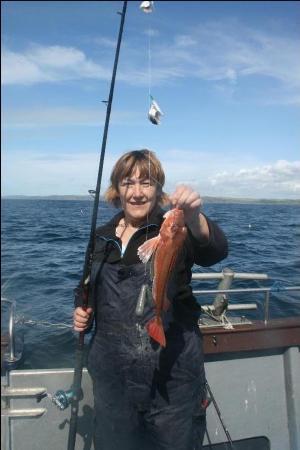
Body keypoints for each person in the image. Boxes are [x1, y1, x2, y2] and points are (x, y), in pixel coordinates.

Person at [73, 149, 228, 450]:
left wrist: (195, 219)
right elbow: (86, 285)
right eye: (127, 183)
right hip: (113, 379)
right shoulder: (102, 237)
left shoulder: (173, 230)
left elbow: (215, 251)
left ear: (159, 190)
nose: (136, 192)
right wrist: (80, 307)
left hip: (172, 377)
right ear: (116, 190)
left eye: (146, 183)